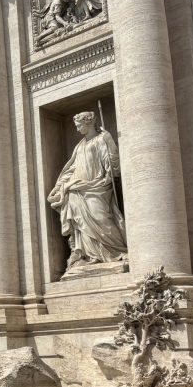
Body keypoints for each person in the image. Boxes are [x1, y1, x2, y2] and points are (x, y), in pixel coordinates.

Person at [48, 112, 128, 271]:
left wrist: (110, 141)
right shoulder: (80, 145)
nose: (77, 129)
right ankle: (90, 255)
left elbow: (111, 162)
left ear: (88, 123)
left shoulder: (101, 139)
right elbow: (72, 169)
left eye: (79, 125)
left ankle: (117, 251)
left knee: (101, 217)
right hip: (76, 189)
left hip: (97, 186)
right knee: (81, 224)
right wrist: (59, 187)